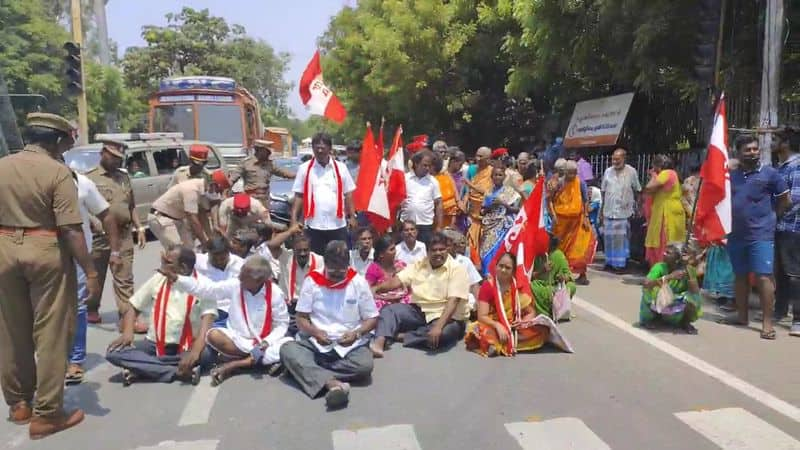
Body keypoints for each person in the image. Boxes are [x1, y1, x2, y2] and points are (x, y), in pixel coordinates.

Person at [0, 113, 100, 438]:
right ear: (56, 141)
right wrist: (90, 269)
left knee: (12, 331)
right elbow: (71, 229)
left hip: (4, 249)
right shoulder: (58, 172)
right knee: (52, 332)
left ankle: (18, 405)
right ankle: (47, 414)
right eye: (68, 141)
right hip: (45, 249)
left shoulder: (2, 165)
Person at [279, 241, 378, 409]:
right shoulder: (312, 281)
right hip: (317, 343)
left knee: (365, 366)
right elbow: (301, 318)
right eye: (333, 269)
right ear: (326, 263)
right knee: (287, 349)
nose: (338, 274)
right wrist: (315, 332)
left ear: (348, 264)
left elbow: (372, 318)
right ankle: (332, 384)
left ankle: (308, 371)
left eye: (342, 269)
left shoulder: (358, 282)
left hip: (349, 345)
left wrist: (357, 334)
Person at [166, 255, 292, 385]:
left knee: (288, 345)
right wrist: (178, 279)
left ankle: (236, 364)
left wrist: (266, 342)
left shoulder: (275, 294)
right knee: (213, 335)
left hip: (264, 343)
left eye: (244, 275)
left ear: (258, 280)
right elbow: (208, 290)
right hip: (237, 340)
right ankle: (257, 361)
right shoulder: (236, 285)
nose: (239, 277)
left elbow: (282, 324)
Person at [106, 246, 216, 385]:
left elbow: (207, 322)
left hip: (188, 345)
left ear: (183, 267)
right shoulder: (158, 279)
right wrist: (128, 333)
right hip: (155, 344)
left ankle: (145, 368)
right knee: (114, 353)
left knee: (207, 354)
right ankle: (177, 371)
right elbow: (133, 306)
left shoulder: (204, 285)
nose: (162, 265)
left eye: (168, 262)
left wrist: (195, 351)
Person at [719, 135, 790, 340]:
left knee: (763, 276)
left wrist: (773, 217)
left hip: (761, 235)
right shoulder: (731, 174)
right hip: (736, 234)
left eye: (755, 149)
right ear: (737, 152)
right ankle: (742, 317)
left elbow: (785, 199)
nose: (752, 152)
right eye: (747, 150)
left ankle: (767, 324)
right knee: (740, 276)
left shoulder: (770, 174)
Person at [370, 232, 470, 357]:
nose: (438, 253)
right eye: (434, 250)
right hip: (419, 312)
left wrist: (438, 327)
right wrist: (376, 288)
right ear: (427, 252)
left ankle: (402, 336)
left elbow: (453, 302)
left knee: (443, 335)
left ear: (447, 249)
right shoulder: (419, 264)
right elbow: (397, 281)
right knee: (389, 310)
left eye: (442, 249)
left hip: (447, 317)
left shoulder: (457, 269)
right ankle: (379, 343)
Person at [66, 169, 121, 385]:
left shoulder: (82, 183)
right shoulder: (33, 180)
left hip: (79, 257)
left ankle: (76, 359)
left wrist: (115, 251)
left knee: (78, 306)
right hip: (44, 257)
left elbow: (106, 215)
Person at [85, 139, 147, 329]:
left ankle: (127, 317)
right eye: (113, 157)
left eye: (119, 158)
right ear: (103, 153)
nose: (116, 161)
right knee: (96, 277)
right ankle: (91, 308)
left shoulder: (123, 177)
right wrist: (93, 222)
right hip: (100, 238)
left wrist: (140, 227)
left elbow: (131, 205)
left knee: (125, 278)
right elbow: (82, 207)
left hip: (124, 235)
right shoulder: (90, 178)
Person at [465, 253, 549, 357]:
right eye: (501, 266)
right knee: (481, 331)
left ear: (513, 271)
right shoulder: (488, 286)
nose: (503, 270)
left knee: (542, 330)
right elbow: (482, 316)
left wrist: (522, 322)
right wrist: (498, 325)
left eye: (507, 268)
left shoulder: (517, 286)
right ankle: (498, 342)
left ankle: (499, 344)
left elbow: (530, 311)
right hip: (492, 324)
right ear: (496, 266)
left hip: (513, 325)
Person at [291, 133, 357, 255]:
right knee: (317, 263)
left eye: (323, 147)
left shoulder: (341, 168)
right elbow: (299, 196)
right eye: (317, 147)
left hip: (337, 225)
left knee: (339, 260)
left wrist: (352, 217)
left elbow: (348, 194)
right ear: (313, 149)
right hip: (314, 225)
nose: (320, 150)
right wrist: (294, 220)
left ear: (329, 148)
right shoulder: (304, 169)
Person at [147, 171, 228, 250]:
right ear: (212, 184)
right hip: (162, 218)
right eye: (217, 190)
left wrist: (210, 238)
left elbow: (202, 215)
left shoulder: (201, 192)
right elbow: (193, 220)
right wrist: (204, 243)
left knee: (190, 251)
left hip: (177, 219)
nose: (216, 193)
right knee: (177, 252)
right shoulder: (191, 190)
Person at [639, 244, 702, 334]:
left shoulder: (689, 269)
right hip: (661, 301)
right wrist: (669, 277)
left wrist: (689, 272)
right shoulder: (660, 267)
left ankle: (685, 322)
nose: (664, 254)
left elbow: (695, 292)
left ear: (677, 259)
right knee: (649, 291)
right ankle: (653, 318)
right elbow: (646, 284)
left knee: (694, 299)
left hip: (675, 303)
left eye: (668, 253)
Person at [550, 160, 595, 285]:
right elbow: (551, 199)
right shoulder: (559, 183)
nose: (572, 176)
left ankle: (582, 274)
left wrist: (586, 216)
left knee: (580, 247)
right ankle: (559, 274)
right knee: (560, 248)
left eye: (575, 173)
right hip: (561, 223)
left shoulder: (580, 182)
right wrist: (553, 215)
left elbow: (585, 200)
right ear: (565, 172)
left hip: (577, 222)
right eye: (570, 173)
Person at [774, 128, 800, 336]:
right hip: (781, 227)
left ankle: (798, 319)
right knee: (781, 272)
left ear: (786, 143)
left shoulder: (797, 167)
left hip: (793, 228)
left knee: (794, 274)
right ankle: (779, 310)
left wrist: (776, 214)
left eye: (776, 139)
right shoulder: (781, 168)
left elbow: (795, 200)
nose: (772, 142)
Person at [600, 147, 642, 272]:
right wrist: (602, 211)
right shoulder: (608, 171)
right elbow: (603, 191)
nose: (615, 162)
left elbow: (638, 190)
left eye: (618, 159)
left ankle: (621, 265)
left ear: (624, 158)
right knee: (608, 238)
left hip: (624, 212)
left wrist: (637, 207)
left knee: (621, 240)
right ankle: (609, 262)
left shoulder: (631, 171)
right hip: (609, 210)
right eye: (613, 159)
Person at [644, 155, 687, 266]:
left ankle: (663, 271)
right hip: (665, 211)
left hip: (667, 214)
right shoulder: (672, 174)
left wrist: (653, 176)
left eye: (653, 166)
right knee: (662, 242)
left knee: (665, 243)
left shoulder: (667, 173)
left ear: (658, 166)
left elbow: (649, 188)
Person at [479, 163, 521, 275]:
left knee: (498, 250)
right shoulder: (488, 192)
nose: (497, 177)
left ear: (504, 177)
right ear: (491, 177)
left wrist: (504, 204)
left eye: (500, 175)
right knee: (485, 251)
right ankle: (487, 275)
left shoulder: (510, 192)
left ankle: (497, 274)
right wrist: (489, 208)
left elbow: (518, 210)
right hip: (489, 225)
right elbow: (482, 211)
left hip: (502, 227)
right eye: (495, 175)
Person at [229, 139, 296, 208]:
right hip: (251, 199)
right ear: (259, 150)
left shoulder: (270, 165)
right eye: (266, 151)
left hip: (264, 199)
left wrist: (301, 175)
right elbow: (233, 178)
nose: (268, 153)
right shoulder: (246, 163)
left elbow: (285, 174)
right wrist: (226, 189)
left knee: (267, 217)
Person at [195, 236, 245, 327]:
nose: (218, 262)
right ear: (208, 253)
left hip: (231, 311)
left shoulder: (241, 265)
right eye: (214, 259)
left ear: (228, 253)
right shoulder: (198, 262)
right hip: (205, 311)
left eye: (222, 259)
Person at [401, 150, 443, 245]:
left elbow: (439, 203)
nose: (427, 168)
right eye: (424, 165)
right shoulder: (405, 179)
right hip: (406, 225)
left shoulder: (433, 182)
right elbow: (396, 199)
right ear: (416, 163)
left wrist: (439, 226)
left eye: (429, 166)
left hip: (425, 226)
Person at [530, 234, 576, 318]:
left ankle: (559, 309)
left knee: (571, 286)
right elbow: (528, 276)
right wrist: (542, 271)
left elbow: (568, 276)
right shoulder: (536, 254)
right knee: (532, 287)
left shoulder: (558, 255)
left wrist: (562, 277)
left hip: (555, 286)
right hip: (539, 285)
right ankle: (543, 312)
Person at [365, 235, 410, 310]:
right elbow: (367, 292)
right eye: (391, 249)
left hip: (401, 300)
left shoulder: (400, 264)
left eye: (394, 248)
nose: (395, 251)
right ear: (381, 254)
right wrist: (387, 298)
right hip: (383, 303)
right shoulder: (374, 268)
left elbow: (408, 288)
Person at [466, 146, 494, 264]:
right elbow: (467, 190)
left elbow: (488, 193)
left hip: (486, 215)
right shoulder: (472, 169)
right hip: (472, 214)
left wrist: (471, 186)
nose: (477, 159)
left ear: (488, 159)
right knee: (470, 243)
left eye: (481, 156)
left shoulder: (493, 172)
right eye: (476, 155)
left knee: (485, 245)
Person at [443, 229, 483, 312]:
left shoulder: (465, 261)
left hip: (464, 302)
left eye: (448, 245)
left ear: (455, 246)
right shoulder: (438, 261)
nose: (445, 249)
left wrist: (479, 305)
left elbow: (474, 285)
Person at [434, 153, 461, 230]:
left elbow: (453, 189)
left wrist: (458, 201)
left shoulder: (446, 176)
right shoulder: (429, 179)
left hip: (448, 214)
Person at [447, 150, 469, 232]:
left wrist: (464, 202)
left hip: (461, 212)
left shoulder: (462, 175)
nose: (461, 166)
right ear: (452, 161)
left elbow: (467, 191)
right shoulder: (443, 175)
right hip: (448, 213)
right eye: (460, 164)